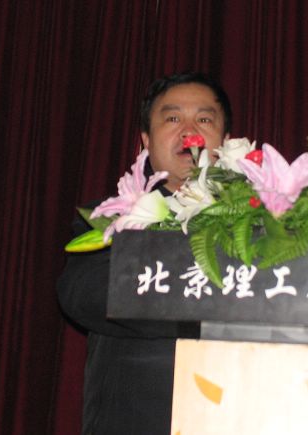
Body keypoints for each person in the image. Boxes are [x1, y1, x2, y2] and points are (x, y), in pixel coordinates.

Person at [57, 72, 232, 434]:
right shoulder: (110, 219)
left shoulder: (266, 223)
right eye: (173, 118)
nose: (189, 131)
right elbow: (83, 294)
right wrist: (214, 298)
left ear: (227, 142)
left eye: (204, 119)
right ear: (146, 141)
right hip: (134, 419)